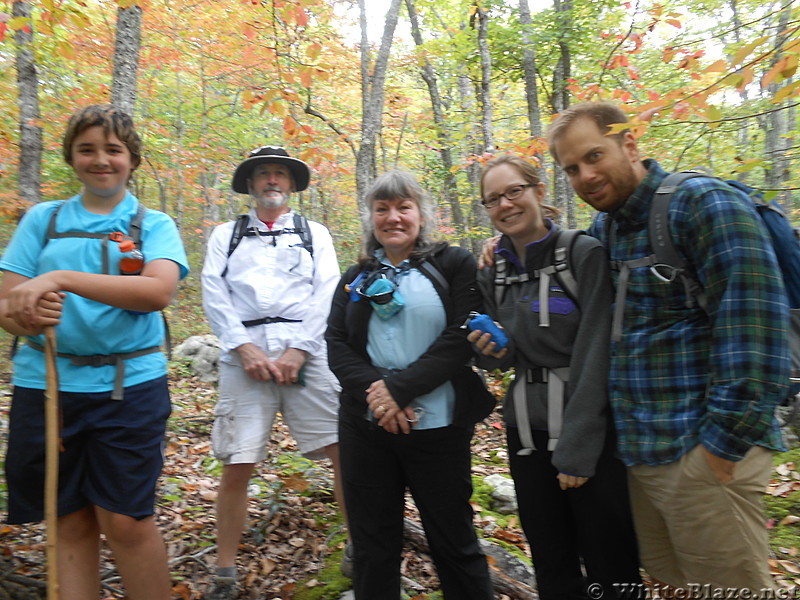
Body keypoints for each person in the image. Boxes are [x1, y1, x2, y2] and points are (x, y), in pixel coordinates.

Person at [545, 102, 790, 593]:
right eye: (572, 168)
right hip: (645, 455)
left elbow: (755, 326)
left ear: (629, 143)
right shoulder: (609, 229)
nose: (586, 176)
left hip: (705, 454)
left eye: (595, 156)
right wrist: (504, 245)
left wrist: (720, 449)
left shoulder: (702, 204)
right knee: (677, 584)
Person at [0, 104, 189, 600]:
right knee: (69, 521)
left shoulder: (153, 224)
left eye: (113, 150)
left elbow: (157, 292)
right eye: (87, 149)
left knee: (126, 521)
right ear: (71, 157)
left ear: (132, 159)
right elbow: (7, 303)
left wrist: (60, 278)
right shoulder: (44, 220)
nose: (100, 160)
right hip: (47, 387)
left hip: (130, 387)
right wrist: (26, 314)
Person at [468, 154, 641, 599]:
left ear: (539, 192)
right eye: (493, 199)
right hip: (526, 431)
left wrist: (579, 450)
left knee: (611, 561)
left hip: (589, 432)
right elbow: (501, 359)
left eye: (514, 191)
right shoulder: (494, 268)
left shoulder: (582, 254)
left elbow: (596, 350)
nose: (505, 204)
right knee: (551, 559)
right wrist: (490, 350)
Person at [325, 170, 495, 600]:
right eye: (382, 209)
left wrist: (399, 389)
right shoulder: (357, 275)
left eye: (404, 207)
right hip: (366, 427)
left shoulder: (453, 263)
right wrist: (380, 394)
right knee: (372, 543)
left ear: (421, 214)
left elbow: (462, 336)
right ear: (372, 219)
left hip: (439, 427)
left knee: (453, 540)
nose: (393, 217)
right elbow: (337, 343)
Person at [201, 145, 345, 599]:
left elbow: (328, 291)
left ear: (291, 184)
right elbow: (213, 289)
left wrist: (300, 349)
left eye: (280, 174)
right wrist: (242, 347)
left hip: (307, 353)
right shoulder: (227, 235)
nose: (272, 181)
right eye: (264, 174)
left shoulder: (313, 233)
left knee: (344, 450)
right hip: (243, 357)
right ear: (250, 184)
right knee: (237, 461)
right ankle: (224, 571)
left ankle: (362, 549)